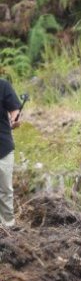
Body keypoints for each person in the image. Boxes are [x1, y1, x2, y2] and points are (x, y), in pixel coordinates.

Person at [0, 79, 22, 228]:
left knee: (5, 189)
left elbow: (15, 110)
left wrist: (15, 119)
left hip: (3, 147)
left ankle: (8, 226)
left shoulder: (3, 86)